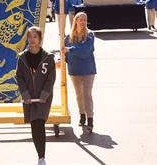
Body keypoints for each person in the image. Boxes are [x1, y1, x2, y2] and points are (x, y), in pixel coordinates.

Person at [16, 26, 56, 165]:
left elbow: (51, 79)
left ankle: (42, 157)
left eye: (35, 37)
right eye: (30, 37)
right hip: (29, 98)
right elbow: (19, 78)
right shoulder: (22, 58)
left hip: (43, 98)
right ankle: (39, 155)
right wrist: (25, 94)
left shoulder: (48, 57)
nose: (32, 40)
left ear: (40, 39)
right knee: (34, 126)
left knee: (40, 124)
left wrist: (45, 94)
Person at [63, 12, 97, 133]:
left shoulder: (90, 35)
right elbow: (65, 54)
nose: (82, 22)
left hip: (88, 69)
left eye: (84, 19)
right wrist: (64, 57)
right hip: (74, 69)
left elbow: (85, 51)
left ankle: (90, 120)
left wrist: (70, 50)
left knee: (87, 95)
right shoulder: (68, 37)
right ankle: (82, 115)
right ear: (76, 20)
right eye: (80, 19)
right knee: (79, 94)